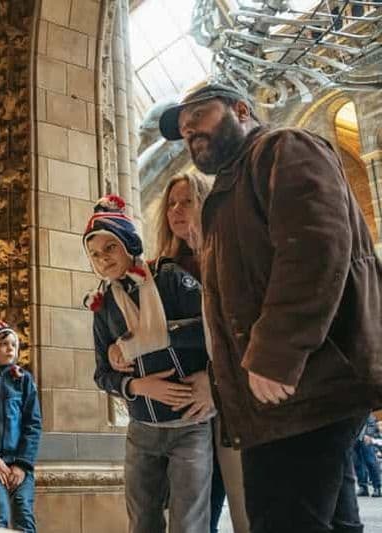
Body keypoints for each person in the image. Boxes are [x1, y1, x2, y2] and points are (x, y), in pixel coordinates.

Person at [159, 82, 382, 533]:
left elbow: (315, 248)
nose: (189, 131)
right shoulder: (230, 188)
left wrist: (278, 354)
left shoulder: (283, 149)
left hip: (302, 386)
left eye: (198, 117)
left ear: (241, 109)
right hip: (287, 397)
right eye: (183, 129)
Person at [84, 194, 212, 533]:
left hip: (190, 425)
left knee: (189, 524)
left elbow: (213, 327)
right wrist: (138, 385)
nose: (103, 259)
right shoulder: (105, 304)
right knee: (142, 523)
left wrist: (143, 341)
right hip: (141, 429)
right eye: (95, 254)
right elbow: (102, 373)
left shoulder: (169, 278)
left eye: (110, 248)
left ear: (128, 243)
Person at [154, 173, 250, 533]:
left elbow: (240, 332)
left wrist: (214, 382)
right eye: (171, 203)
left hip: (231, 405)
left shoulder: (230, 257)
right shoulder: (159, 271)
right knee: (191, 516)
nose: (176, 210)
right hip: (183, 414)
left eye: (186, 201)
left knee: (246, 512)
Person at [0, 311, 41, 533]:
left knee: (23, 511)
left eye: (14, 343)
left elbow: (33, 424)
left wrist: (22, 464)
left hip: (20, 464)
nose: (11, 348)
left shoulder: (23, 380)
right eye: (3, 343)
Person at [354, 414, 382, 497]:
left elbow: (371, 421)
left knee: (371, 462)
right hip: (354, 438)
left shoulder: (363, 407)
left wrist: (369, 434)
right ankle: (363, 487)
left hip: (365, 437)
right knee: (358, 463)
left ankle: (377, 487)